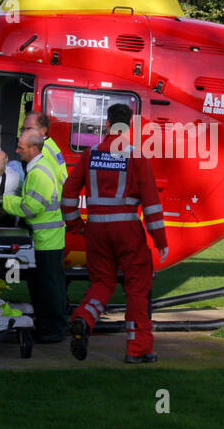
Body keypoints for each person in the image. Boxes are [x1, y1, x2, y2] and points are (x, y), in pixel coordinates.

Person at [63, 104, 168, 364]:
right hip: (127, 230)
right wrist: (160, 240)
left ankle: (83, 319)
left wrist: (76, 225)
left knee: (102, 283)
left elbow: (68, 194)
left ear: (108, 124)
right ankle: (138, 348)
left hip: (97, 230)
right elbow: (152, 204)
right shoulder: (136, 156)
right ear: (129, 127)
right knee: (136, 286)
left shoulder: (90, 154)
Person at [3, 131, 68, 343]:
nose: (17, 151)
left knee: (47, 288)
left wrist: (5, 202)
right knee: (48, 286)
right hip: (47, 238)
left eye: (21, 148)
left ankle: (53, 330)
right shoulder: (38, 169)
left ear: (34, 149)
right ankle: (50, 326)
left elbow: (30, 207)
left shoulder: (39, 173)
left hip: (47, 240)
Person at [22, 111, 68, 185]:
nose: (25, 132)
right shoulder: (49, 143)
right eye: (24, 129)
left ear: (43, 130)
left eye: (29, 129)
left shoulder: (40, 149)